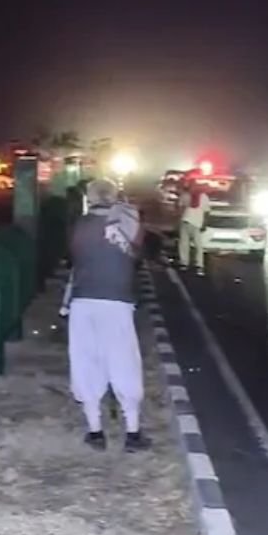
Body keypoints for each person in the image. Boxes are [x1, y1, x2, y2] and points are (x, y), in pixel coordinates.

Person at [68, 178, 151, 452]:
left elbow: (75, 257)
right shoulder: (128, 221)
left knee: (86, 363)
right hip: (117, 303)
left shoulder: (80, 225)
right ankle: (132, 433)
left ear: (89, 198)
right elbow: (138, 253)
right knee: (124, 363)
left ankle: (95, 432)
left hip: (83, 302)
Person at [177, 180, 210, 276]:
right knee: (198, 246)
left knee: (184, 244)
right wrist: (204, 224)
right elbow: (207, 212)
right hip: (196, 223)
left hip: (186, 222)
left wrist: (178, 220)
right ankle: (199, 265)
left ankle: (184, 263)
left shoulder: (185, 195)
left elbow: (179, 208)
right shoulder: (204, 197)